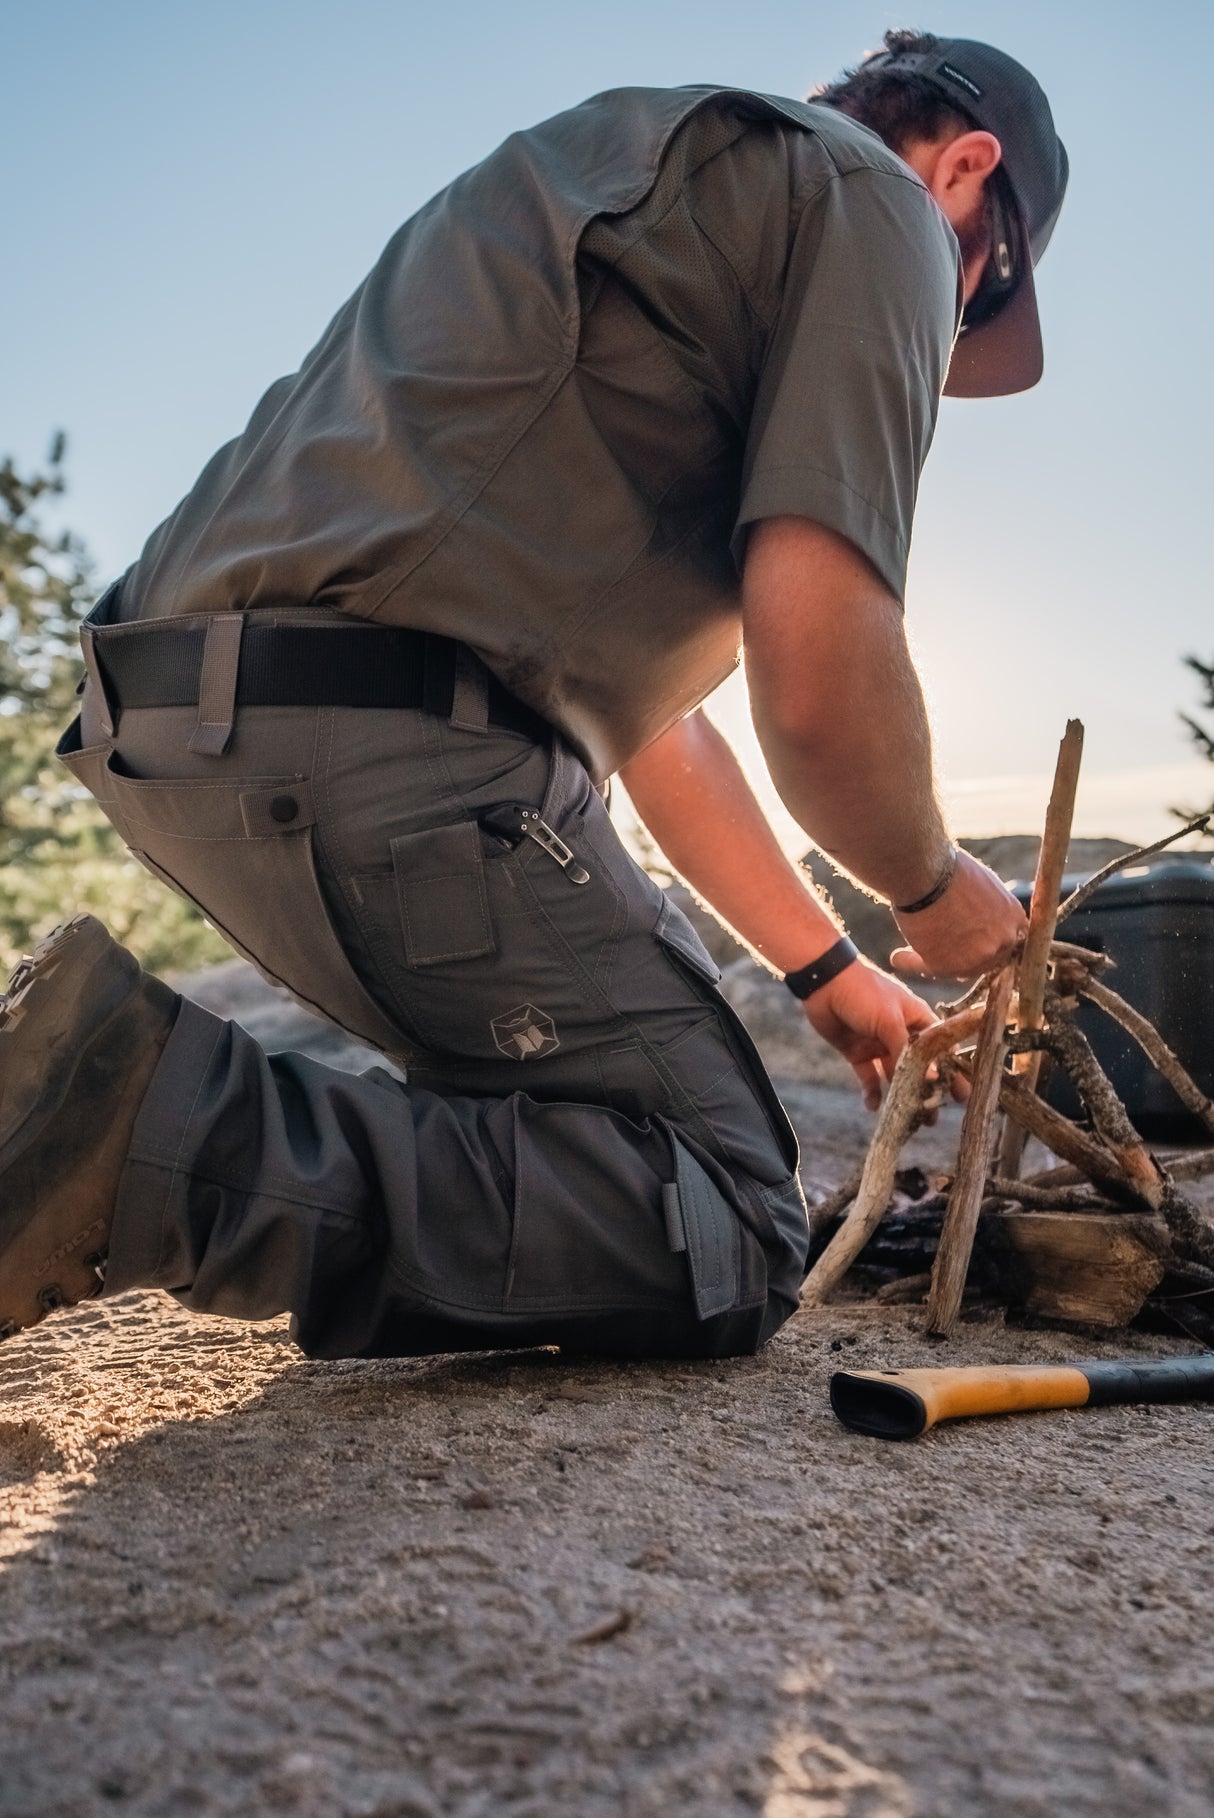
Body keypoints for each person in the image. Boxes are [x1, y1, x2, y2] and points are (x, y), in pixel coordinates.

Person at [0, 32, 1066, 1359]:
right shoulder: (878, 204)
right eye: (974, 295)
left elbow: (659, 732)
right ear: (966, 172)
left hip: (186, 731)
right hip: (386, 753)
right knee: (725, 1209)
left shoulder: (643, 165)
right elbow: (820, 673)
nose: (946, 323)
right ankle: (135, 1129)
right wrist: (927, 886)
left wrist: (826, 965)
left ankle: (105, 1104)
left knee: (570, 1131)